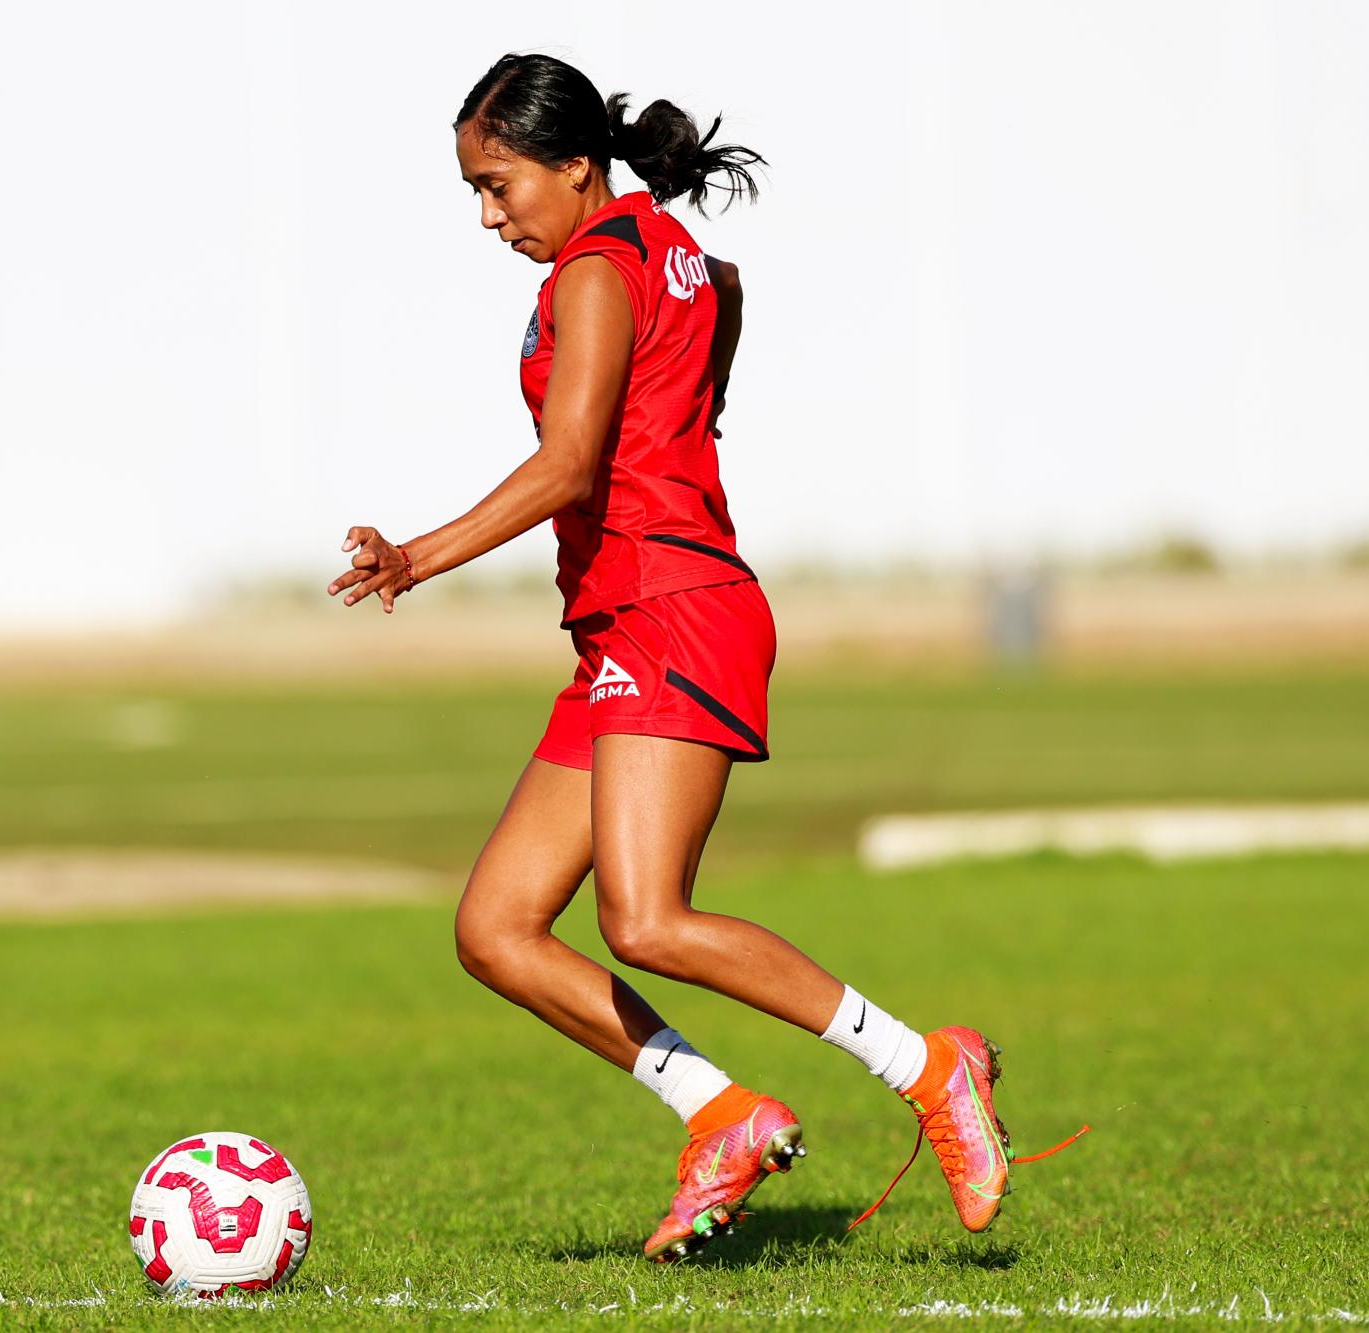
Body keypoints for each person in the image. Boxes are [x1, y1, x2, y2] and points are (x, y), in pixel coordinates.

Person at [327, 52, 1078, 1261]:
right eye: (472, 190)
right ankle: (719, 1111)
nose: (486, 215)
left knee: (646, 919)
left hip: (673, 608)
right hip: (626, 623)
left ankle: (927, 1063)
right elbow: (710, 318)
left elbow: (570, 465)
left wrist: (417, 556)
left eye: (497, 184)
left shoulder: (591, 271)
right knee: (496, 927)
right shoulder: (670, 250)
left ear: (574, 165)